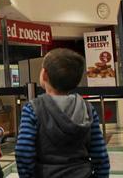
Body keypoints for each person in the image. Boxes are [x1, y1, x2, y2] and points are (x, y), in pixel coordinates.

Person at [15, 48, 110, 178]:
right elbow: (100, 153)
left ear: (45, 75)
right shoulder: (87, 108)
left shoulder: (33, 109)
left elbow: (23, 152)